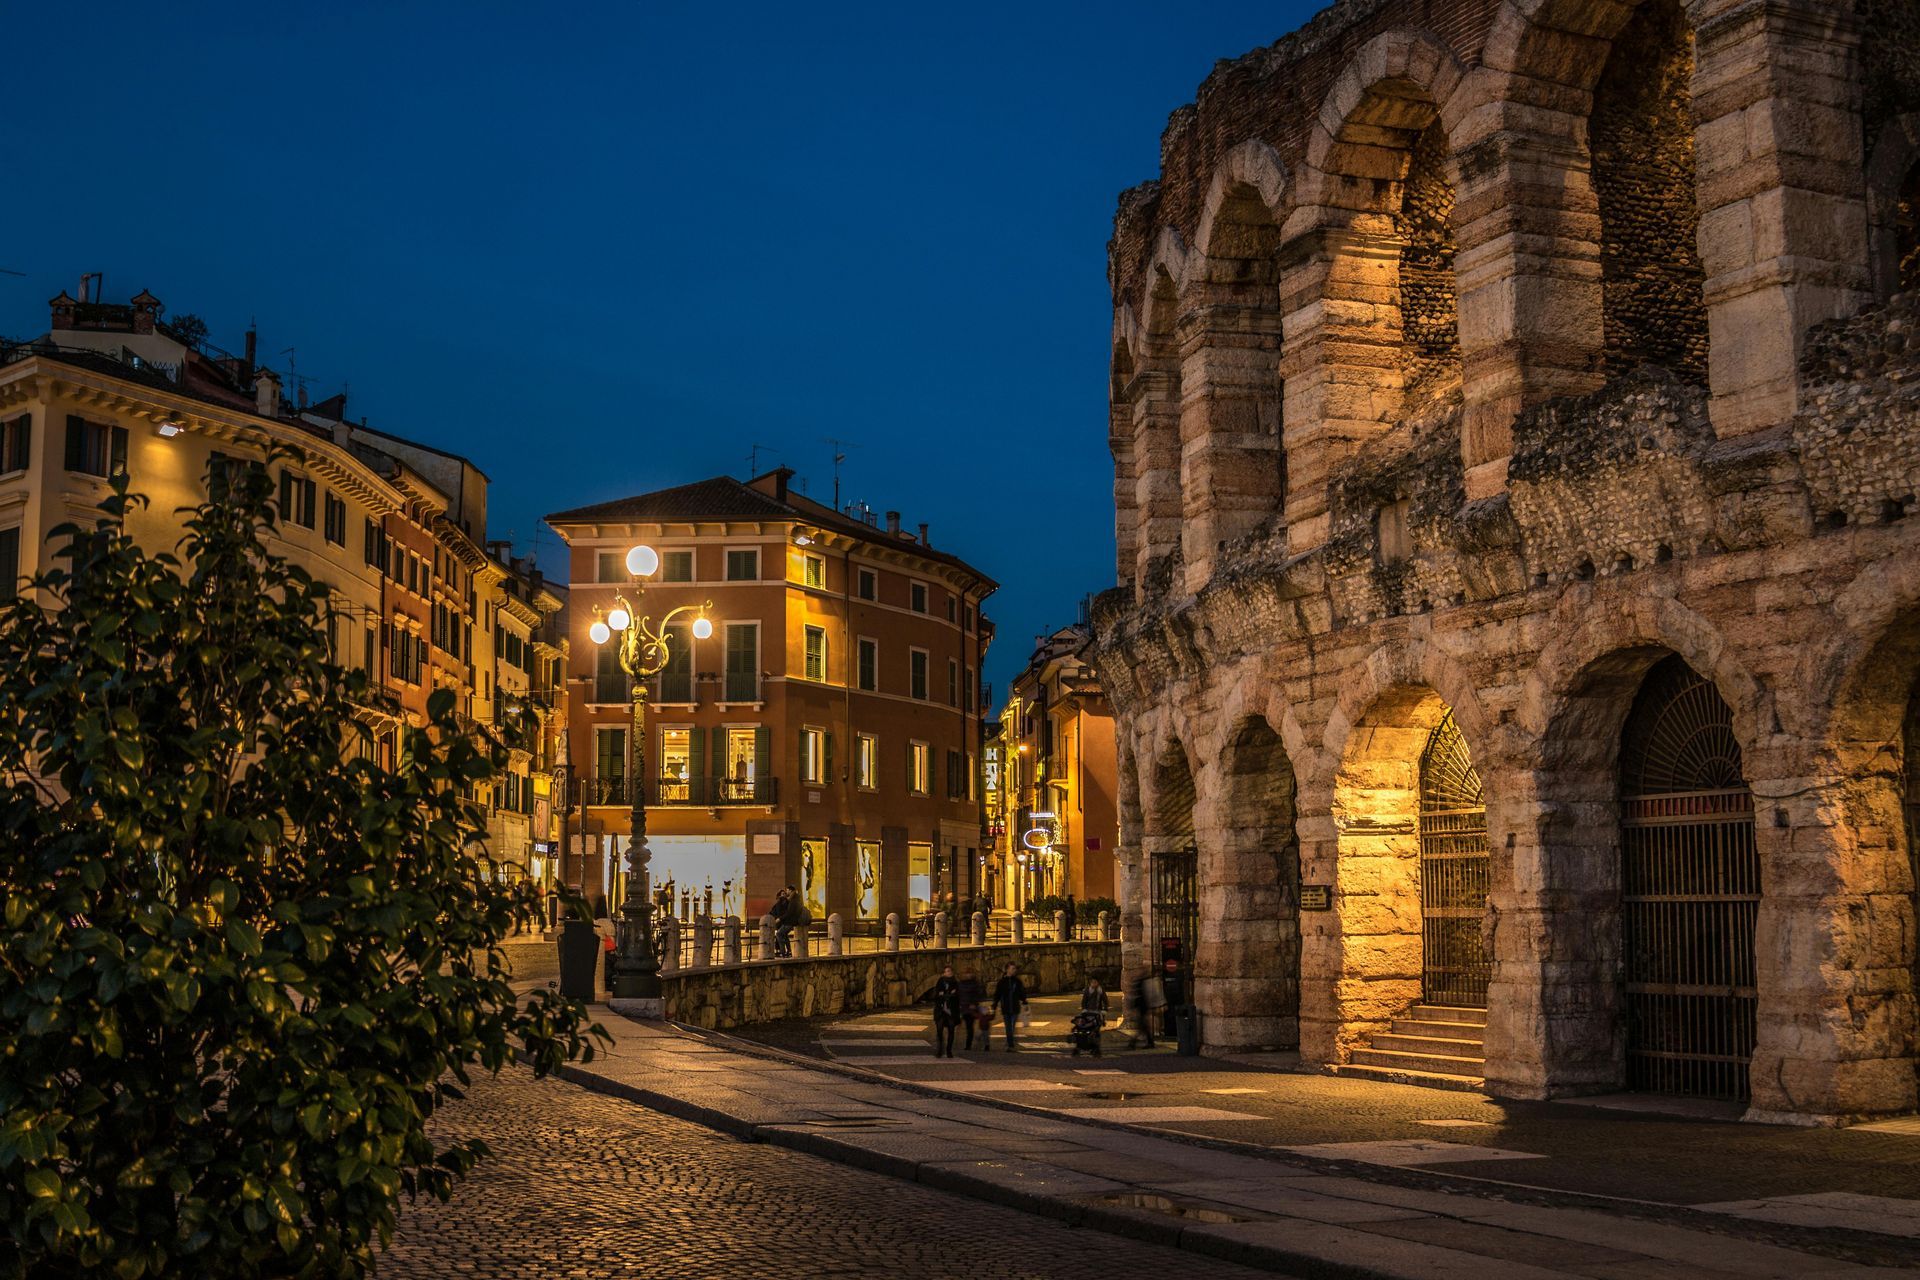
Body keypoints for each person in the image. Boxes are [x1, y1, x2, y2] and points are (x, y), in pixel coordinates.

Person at [918, 964, 963, 1057]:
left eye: (949, 971)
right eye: (946, 971)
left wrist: (946, 994)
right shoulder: (940, 981)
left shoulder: (955, 982)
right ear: (944, 973)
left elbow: (957, 996)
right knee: (939, 1031)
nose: (948, 973)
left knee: (951, 1030)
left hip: (951, 1011)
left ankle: (949, 1050)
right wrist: (948, 994)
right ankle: (940, 1049)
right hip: (941, 1010)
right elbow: (937, 995)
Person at [991, 962, 1028, 1052]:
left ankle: (1009, 1043)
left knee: (1012, 1026)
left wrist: (1024, 1001)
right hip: (1006, 1007)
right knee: (1008, 1027)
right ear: (1007, 969)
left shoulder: (1017, 981)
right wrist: (994, 1005)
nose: (1014, 970)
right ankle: (1010, 1045)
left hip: (1015, 1007)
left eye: (1014, 969)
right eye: (1012, 968)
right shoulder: (1002, 982)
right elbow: (998, 994)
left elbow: (1021, 992)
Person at [1127, 967, 1162, 1049]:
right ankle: (1148, 1042)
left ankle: (1133, 1043)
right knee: (1143, 1027)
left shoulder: (1143, 982)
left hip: (1142, 1007)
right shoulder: (1145, 981)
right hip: (1143, 1007)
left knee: (1141, 1027)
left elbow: (1140, 995)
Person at [956, 968, 988, 1051]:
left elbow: (980, 995)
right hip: (963, 1007)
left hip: (971, 1008)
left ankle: (968, 1045)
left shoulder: (975, 984)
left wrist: (974, 1003)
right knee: (962, 1026)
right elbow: (958, 995)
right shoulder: (960, 984)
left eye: (969, 973)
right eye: (967, 973)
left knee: (969, 1027)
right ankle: (959, 1043)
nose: (968, 975)